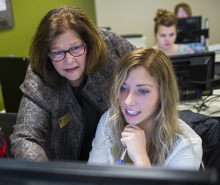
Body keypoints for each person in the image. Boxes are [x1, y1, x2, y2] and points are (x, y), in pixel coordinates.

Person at [10, 6, 136, 162]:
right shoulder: (39, 76)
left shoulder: (110, 45)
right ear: (47, 55)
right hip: (70, 170)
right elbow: (25, 138)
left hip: (119, 156)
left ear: (88, 44)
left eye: (75, 48)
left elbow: (148, 70)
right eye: (57, 52)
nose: (69, 61)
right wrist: (45, 178)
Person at [88, 47, 202, 170]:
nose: (128, 101)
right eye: (123, 88)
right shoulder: (109, 122)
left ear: (163, 94)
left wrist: (141, 158)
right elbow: (94, 181)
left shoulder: (186, 146)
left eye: (142, 91)